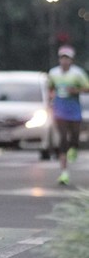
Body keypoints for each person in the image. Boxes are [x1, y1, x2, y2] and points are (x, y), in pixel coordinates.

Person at [48, 45, 89, 185]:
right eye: (62, 58)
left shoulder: (78, 73)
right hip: (60, 110)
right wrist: (51, 97)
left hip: (74, 110)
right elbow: (50, 87)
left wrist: (75, 90)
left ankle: (74, 148)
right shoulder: (53, 73)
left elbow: (87, 88)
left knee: (75, 136)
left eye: (67, 58)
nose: (64, 61)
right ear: (59, 59)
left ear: (71, 60)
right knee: (63, 139)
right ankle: (64, 172)